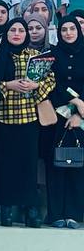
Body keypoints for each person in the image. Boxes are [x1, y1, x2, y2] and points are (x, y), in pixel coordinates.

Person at [0, 20, 54, 228]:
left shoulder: (36, 58)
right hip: (3, 119)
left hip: (29, 120)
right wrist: (8, 85)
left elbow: (50, 80)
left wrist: (36, 85)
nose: (16, 34)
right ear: (6, 34)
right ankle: (6, 209)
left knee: (28, 166)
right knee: (5, 165)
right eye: (12, 30)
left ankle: (30, 208)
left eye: (20, 30)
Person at [45, 15, 84, 228]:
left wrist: (80, 113)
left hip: (81, 120)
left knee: (78, 165)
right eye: (64, 30)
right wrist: (74, 100)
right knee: (56, 164)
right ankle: (56, 214)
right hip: (57, 116)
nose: (68, 33)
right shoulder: (52, 55)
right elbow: (51, 83)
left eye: (72, 29)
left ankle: (74, 214)